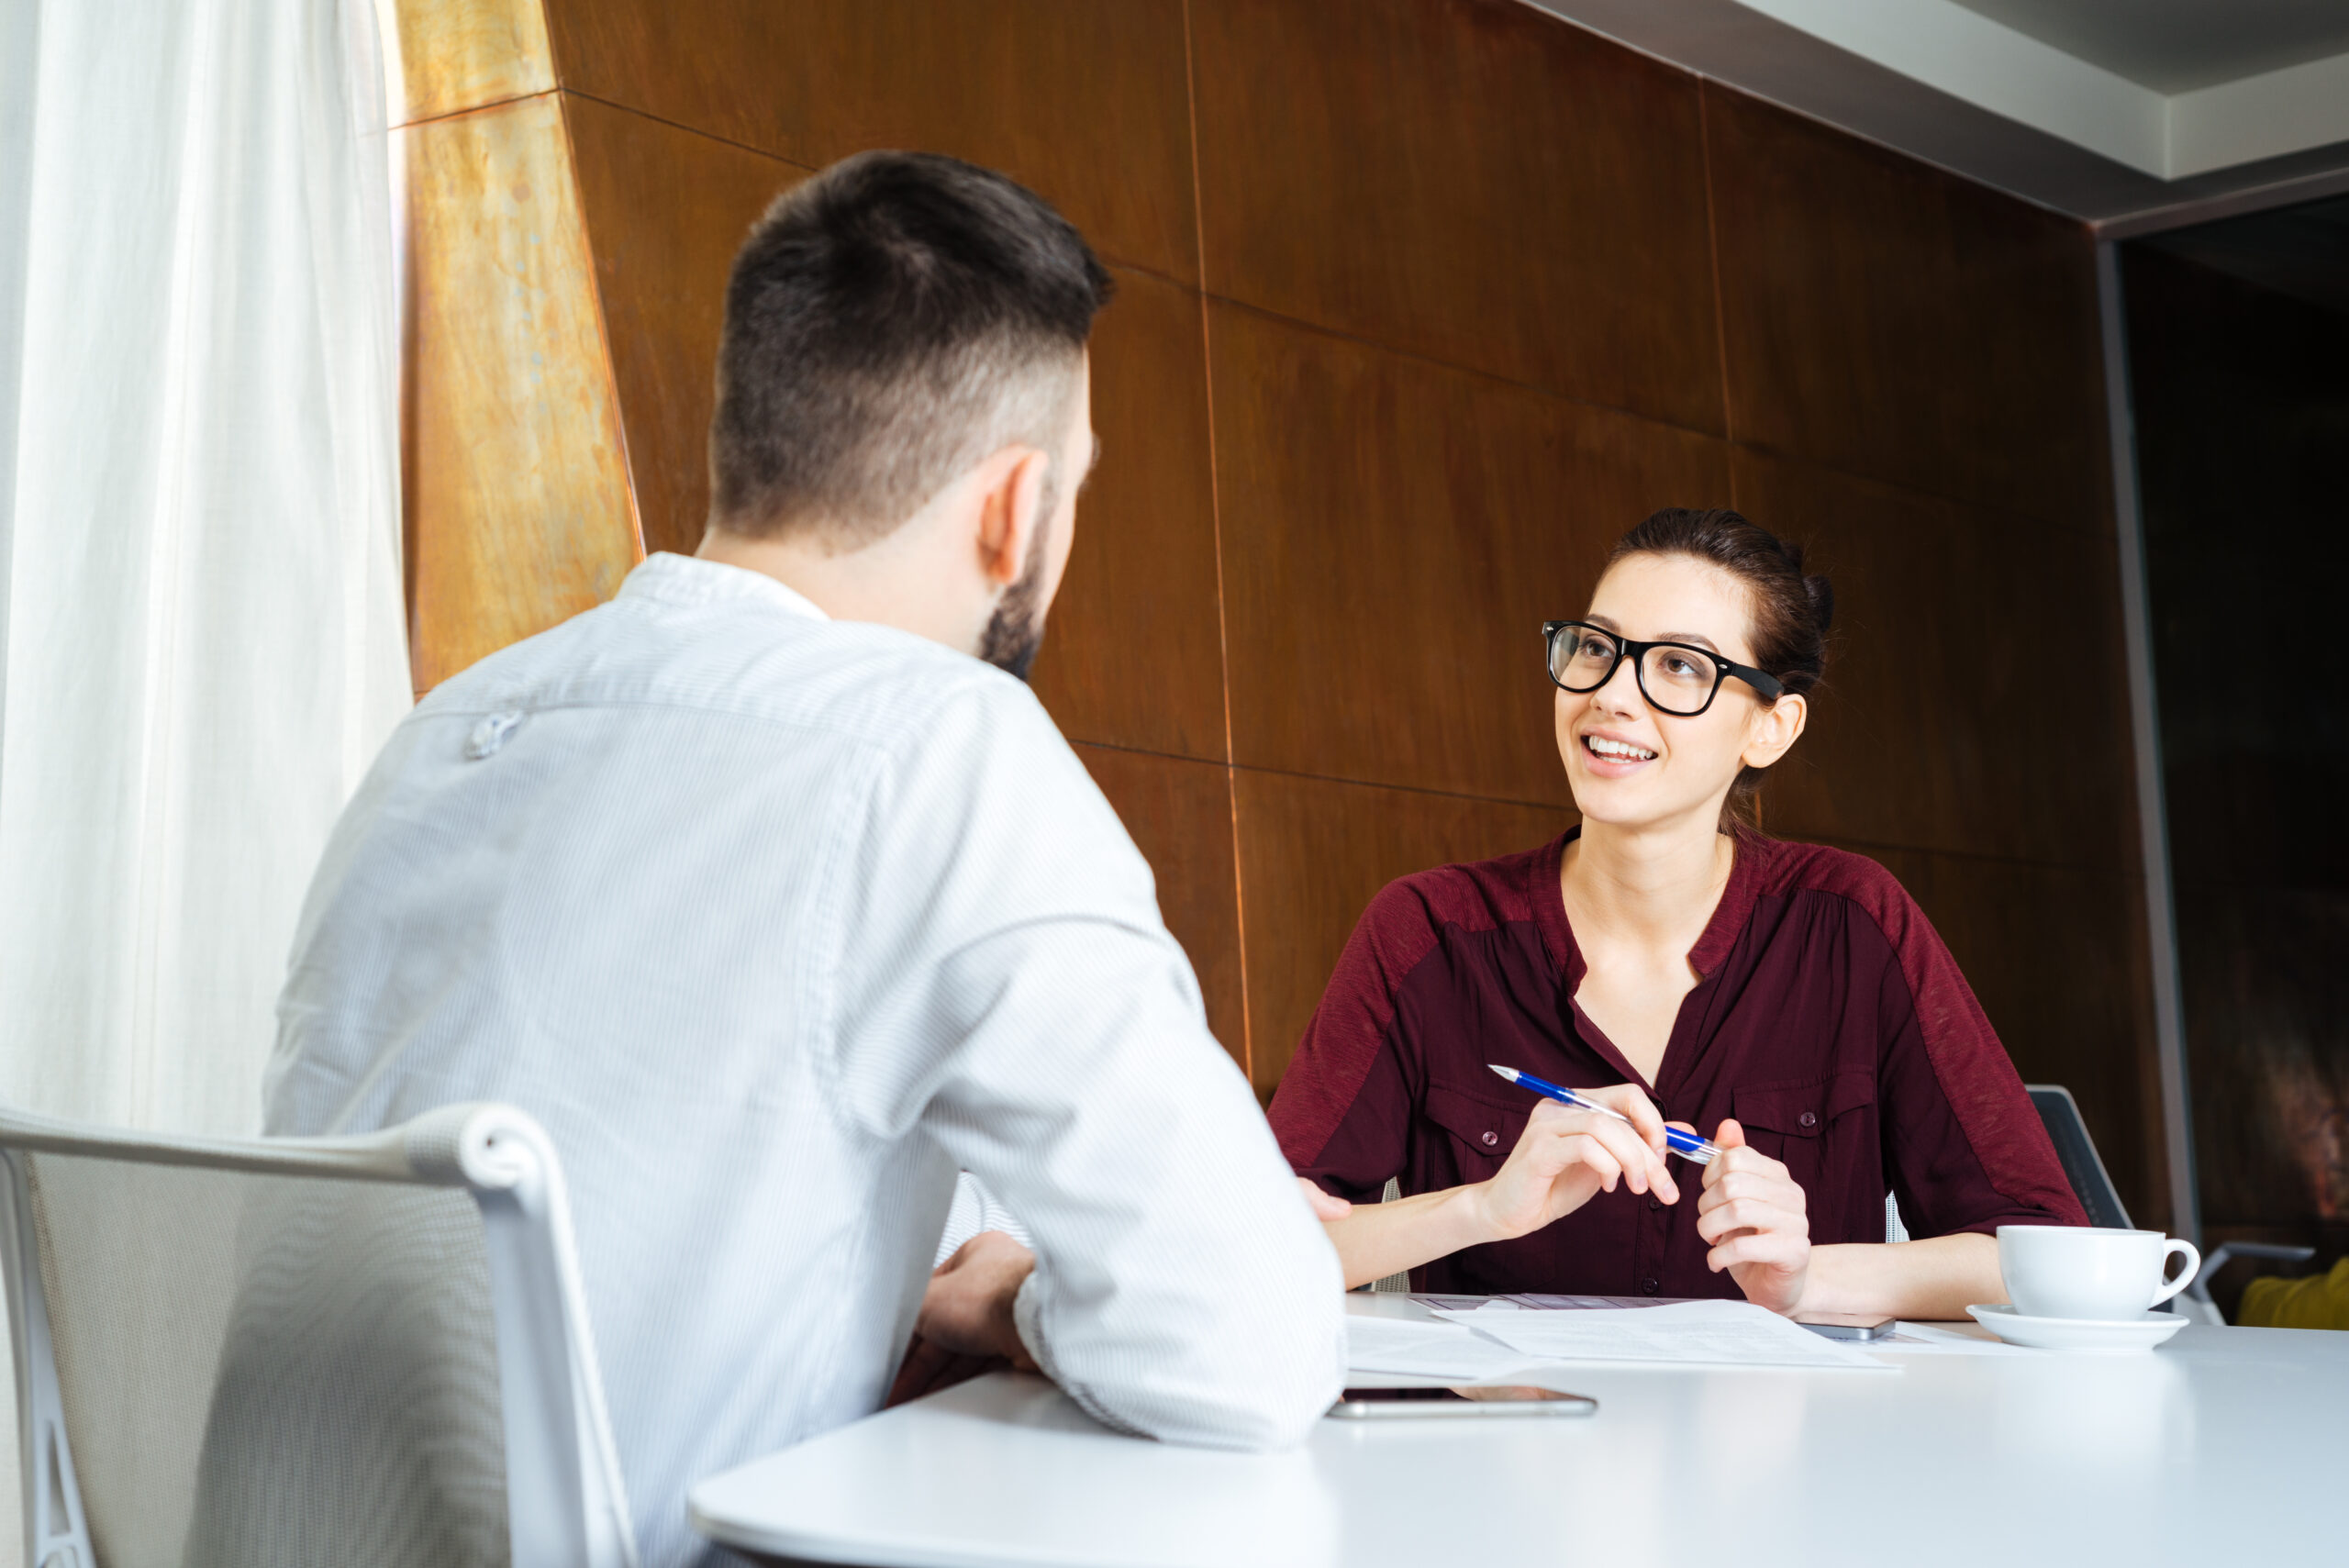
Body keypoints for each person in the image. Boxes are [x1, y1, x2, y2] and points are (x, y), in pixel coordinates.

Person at [266, 151, 1342, 1568]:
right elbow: (1246, 1344)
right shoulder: (938, 747)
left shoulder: (443, 729)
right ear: (1012, 510)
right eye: (1077, 490)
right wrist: (1012, 1302)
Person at [1271, 507, 2086, 1318]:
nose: (1613, 695)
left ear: (1770, 726)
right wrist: (1483, 1207)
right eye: (1596, 647)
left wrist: (1807, 1281)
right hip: (1513, 1440)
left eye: (1681, 667)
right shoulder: (1430, 931)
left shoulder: (1852, 925)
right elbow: (1253, 1243)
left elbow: (2041, 1253)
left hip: (1794, 1444)